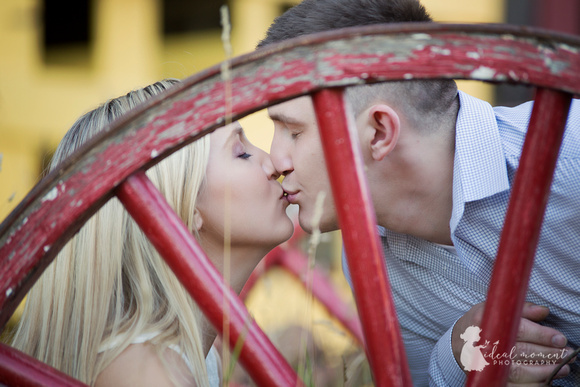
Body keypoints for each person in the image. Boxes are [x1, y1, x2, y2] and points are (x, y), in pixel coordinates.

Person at [257, 0, 580, 385]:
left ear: (379, 132)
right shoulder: (369, 265)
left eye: (294, 132)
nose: (275, 161)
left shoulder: (570, 154)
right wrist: (456, 355)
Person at [10, 79, 294, 386]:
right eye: (241, 153)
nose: (273, 163)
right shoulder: (150, 372)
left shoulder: (182, 357)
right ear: (182, 207)